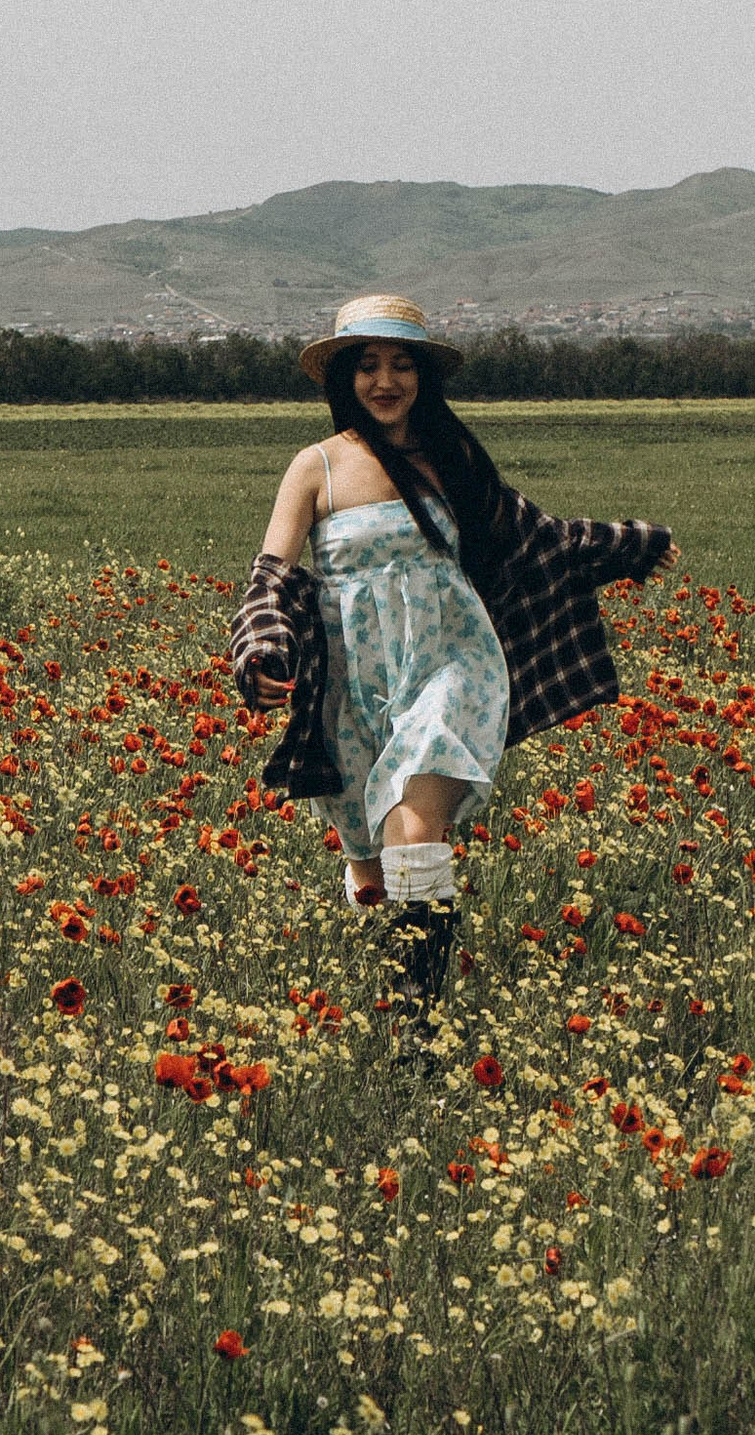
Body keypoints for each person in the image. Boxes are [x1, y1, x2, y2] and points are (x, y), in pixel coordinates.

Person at [230, 291, 674, 1009]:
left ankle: (418, 1017)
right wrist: (260, 651)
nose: (385, 381)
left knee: (413, 827)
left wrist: (627, 546)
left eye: (402, 365)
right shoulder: (316, 468)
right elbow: (271, 577)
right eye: (368, 365)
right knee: (375, 869)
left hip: (451, 665)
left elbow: (535, 537)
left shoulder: (450, 457)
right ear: (344, 377)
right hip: (353, 685)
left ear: (423, 377)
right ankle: (395, 991)